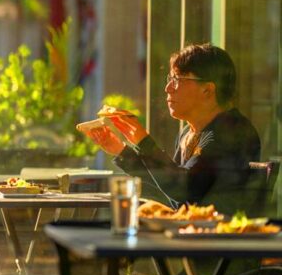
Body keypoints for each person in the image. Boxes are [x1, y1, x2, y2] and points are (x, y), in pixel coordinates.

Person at [86, 43, 260, 215]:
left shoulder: (231, 131)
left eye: (178, 80)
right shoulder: (189, 133)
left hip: (215, 239)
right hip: (189, 234)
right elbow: (167, 189)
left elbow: (184, 191)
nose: (167, 88)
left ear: (207, 90)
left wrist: (144, 142)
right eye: (170, 79)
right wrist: (121, 150)